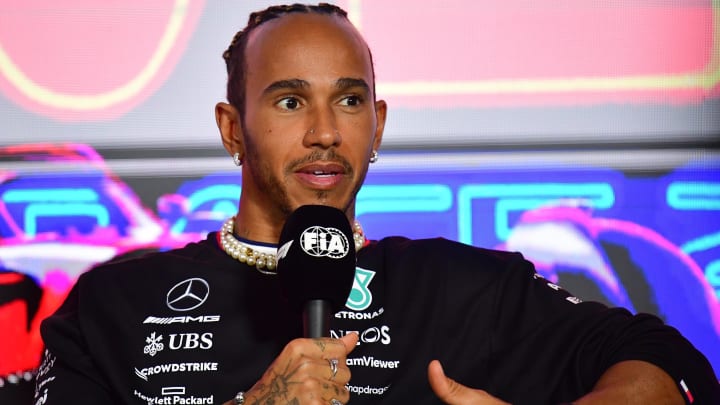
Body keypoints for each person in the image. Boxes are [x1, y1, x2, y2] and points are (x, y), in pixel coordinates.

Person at [33, 3, 720, 404]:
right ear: (232, 127)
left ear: (379, 125)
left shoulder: (462, 288)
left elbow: (663, 363)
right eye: (291, 99)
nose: (326, 131)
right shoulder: (112, 307)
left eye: (350, 100)